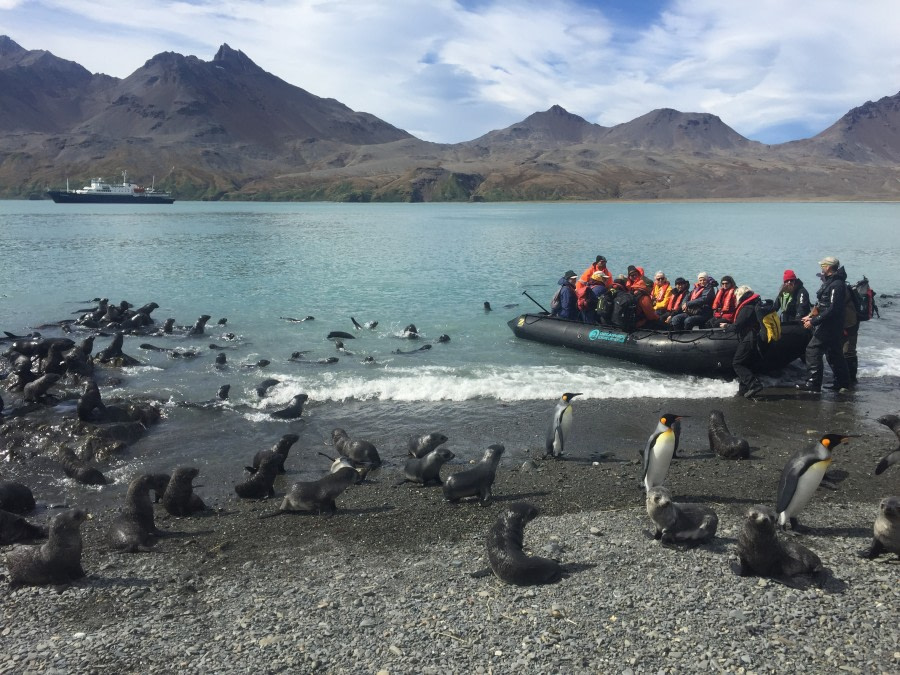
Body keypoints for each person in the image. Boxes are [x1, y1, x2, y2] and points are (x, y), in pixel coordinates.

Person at [798, 256, 850, 392]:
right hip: (831, 323)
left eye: (823, 266)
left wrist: (813, 321)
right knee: (834, 352)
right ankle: (843, 382)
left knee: (812, 349)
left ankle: (813, 383)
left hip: (831, 324)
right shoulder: (832, 282)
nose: (821, 268)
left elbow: (834, 308)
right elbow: (823, 304)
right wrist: (810, 315)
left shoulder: (837, 285)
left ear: (828, 267)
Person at [728, 285, 764, 398]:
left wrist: (727, 327)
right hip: (754, 336)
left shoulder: (747, 307)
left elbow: (738, 325)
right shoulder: (754, 304)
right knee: (745, 363)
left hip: (750, 337)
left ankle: (754, 384)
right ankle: (743, 390)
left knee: (737, 363)